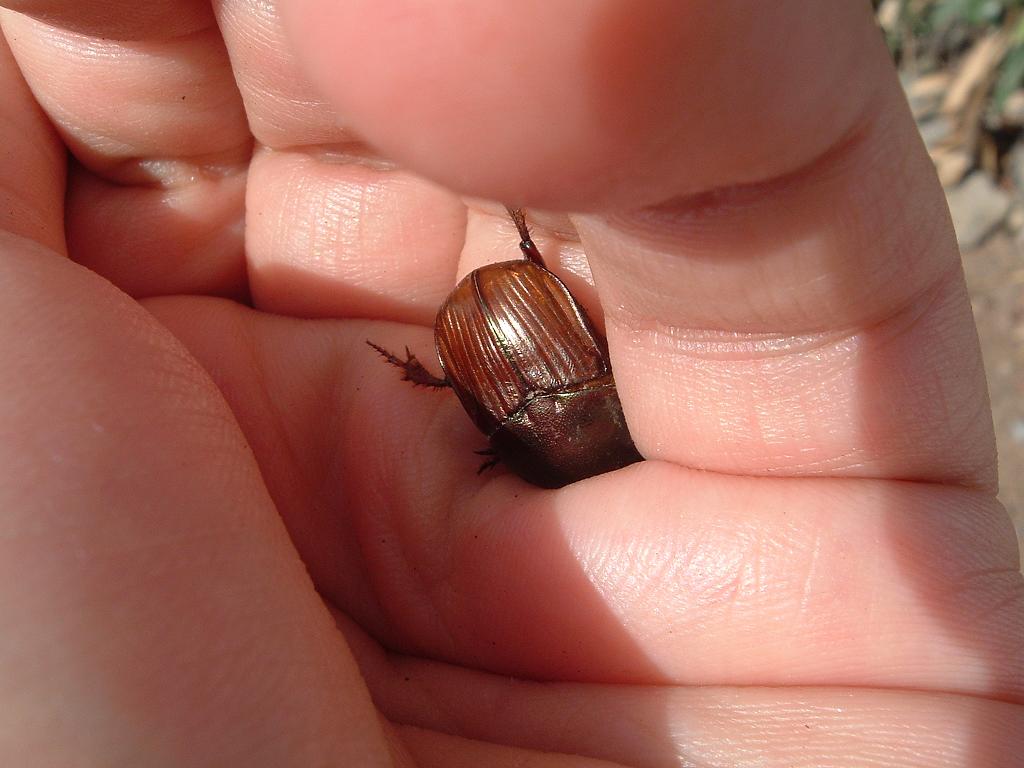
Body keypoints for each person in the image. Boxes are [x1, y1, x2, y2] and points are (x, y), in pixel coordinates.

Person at [0, 1, 1020, 765]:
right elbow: (492, 384)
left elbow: (503, 382)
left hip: (494, 338)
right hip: (491, 340)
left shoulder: (540, 412)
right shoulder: (558, 406)